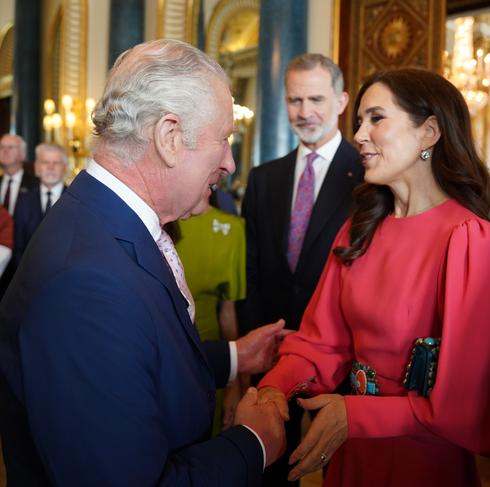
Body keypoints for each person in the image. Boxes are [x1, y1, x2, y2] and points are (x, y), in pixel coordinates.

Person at [0, 39, 290, 486]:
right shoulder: (86, 284)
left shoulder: (108, 221)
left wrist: (233, 356)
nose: (230, 163)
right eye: (224, 140)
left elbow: (133, 361)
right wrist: (253, 442)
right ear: (170, 137)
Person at [257, 68, 490, 487]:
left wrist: (356, 415)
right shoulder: (357, 230)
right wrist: (275, 388)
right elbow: (322, 342)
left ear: (429, 132)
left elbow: (469, 403)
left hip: (421, 460)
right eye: (359, 121)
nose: (360, 135)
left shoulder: (470, 240)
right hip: (349, 451)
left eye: (376, 119)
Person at [241, 52, 363, 486]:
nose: (305, 112)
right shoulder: (263, 178)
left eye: (316, 99)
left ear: (342, 101)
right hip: (272, 345)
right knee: (271, 465)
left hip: (343, 350)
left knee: (343, 467)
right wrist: (257, 334)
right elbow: (251, 267)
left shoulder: (370, 177)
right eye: (295, 100)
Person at [175, 204, 247, 431]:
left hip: (209, 361)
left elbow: (228, 313)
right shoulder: (156, 221)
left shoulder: (232, 229)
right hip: (158, 358)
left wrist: (234, 383)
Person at [13, 143, 68, 266]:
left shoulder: (76, 201)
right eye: (45, 162)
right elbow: (18, 247)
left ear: (65, 168)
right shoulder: (23, 202)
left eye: (56, 163)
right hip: (29, 278)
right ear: (37, 168)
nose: (50, 167)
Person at [0, 134, 38, 297]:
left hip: (26, 267)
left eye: (11, 147)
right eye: (2, 147)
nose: (5, 151)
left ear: (22, 154)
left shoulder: (37, 185)